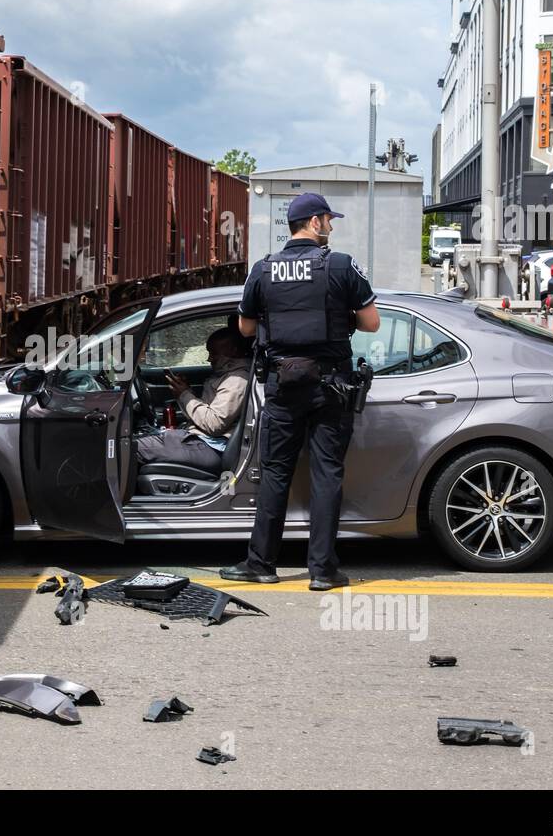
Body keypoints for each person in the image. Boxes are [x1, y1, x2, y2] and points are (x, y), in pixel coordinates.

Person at [219, 193, 380, 590]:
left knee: (275, 473)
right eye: (328, 219)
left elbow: (245, 328)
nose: (332, 225)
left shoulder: (263, 269)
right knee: (327, 475)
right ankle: (322, 572)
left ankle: (261, 564)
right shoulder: (340, 265)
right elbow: (372, 323)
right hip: (331, 387)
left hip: (282, 385)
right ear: (313, 222)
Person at [135, 328, 249, 475]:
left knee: (131, 448)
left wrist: (185, 395)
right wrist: (185, 393)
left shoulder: (237, 380)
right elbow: (207, 413)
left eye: (214, 354)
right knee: (142, 441)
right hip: (201, 439)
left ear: (234, 351)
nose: (209, 359)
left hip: (211, 446)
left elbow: (214, 424)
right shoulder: (225, 375)